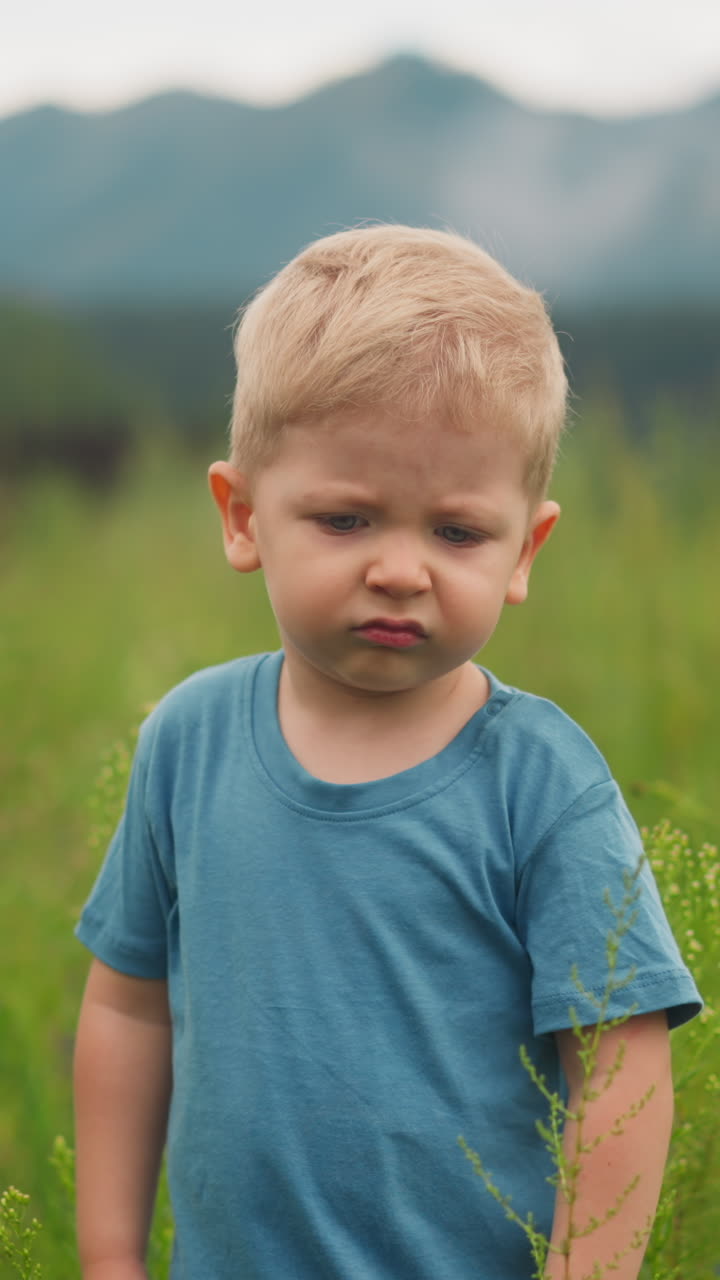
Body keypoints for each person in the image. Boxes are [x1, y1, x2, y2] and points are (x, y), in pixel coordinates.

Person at [73, 225, 701, 1280]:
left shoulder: (540, 779)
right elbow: (126, 1003)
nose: (402, 568)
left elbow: (621, 1064)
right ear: (243, 517)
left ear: (523, 549)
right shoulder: (189, 741)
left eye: (457, 532)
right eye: (347, 517)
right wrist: (109, 1255)